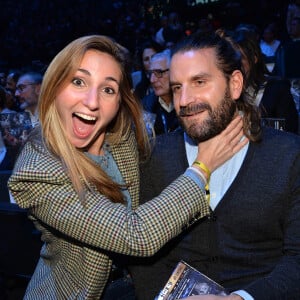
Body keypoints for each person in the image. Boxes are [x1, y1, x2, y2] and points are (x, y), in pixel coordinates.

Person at [7, 35, 246, 299]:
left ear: (119, 100)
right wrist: (203, 167)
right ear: (54, 86)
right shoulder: (38, 171)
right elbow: (136, 234)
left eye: (108, 89)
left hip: (137, 286)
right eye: (78, 81)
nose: (92, 101)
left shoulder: (121, 141)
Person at [129, 31, 300, 300]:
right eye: (177, 87)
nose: (184, 100)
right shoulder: (154, 156)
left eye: (199, 82)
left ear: (234, 84)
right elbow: (144, 261)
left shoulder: (288, 155)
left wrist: (240, 299)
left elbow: (297, 261)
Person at [227, 28, 299, 134]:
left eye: (240, 59)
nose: (235, 65)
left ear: (254, 59)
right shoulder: (224, 91)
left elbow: (289, 132)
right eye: (230, 60)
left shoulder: (277, 89)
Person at [142, 49, 180, 135]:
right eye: (151, 73)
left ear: (173, 72)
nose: (152, 80)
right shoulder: (146, 107)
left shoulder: (186, 100)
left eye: (159, 73)